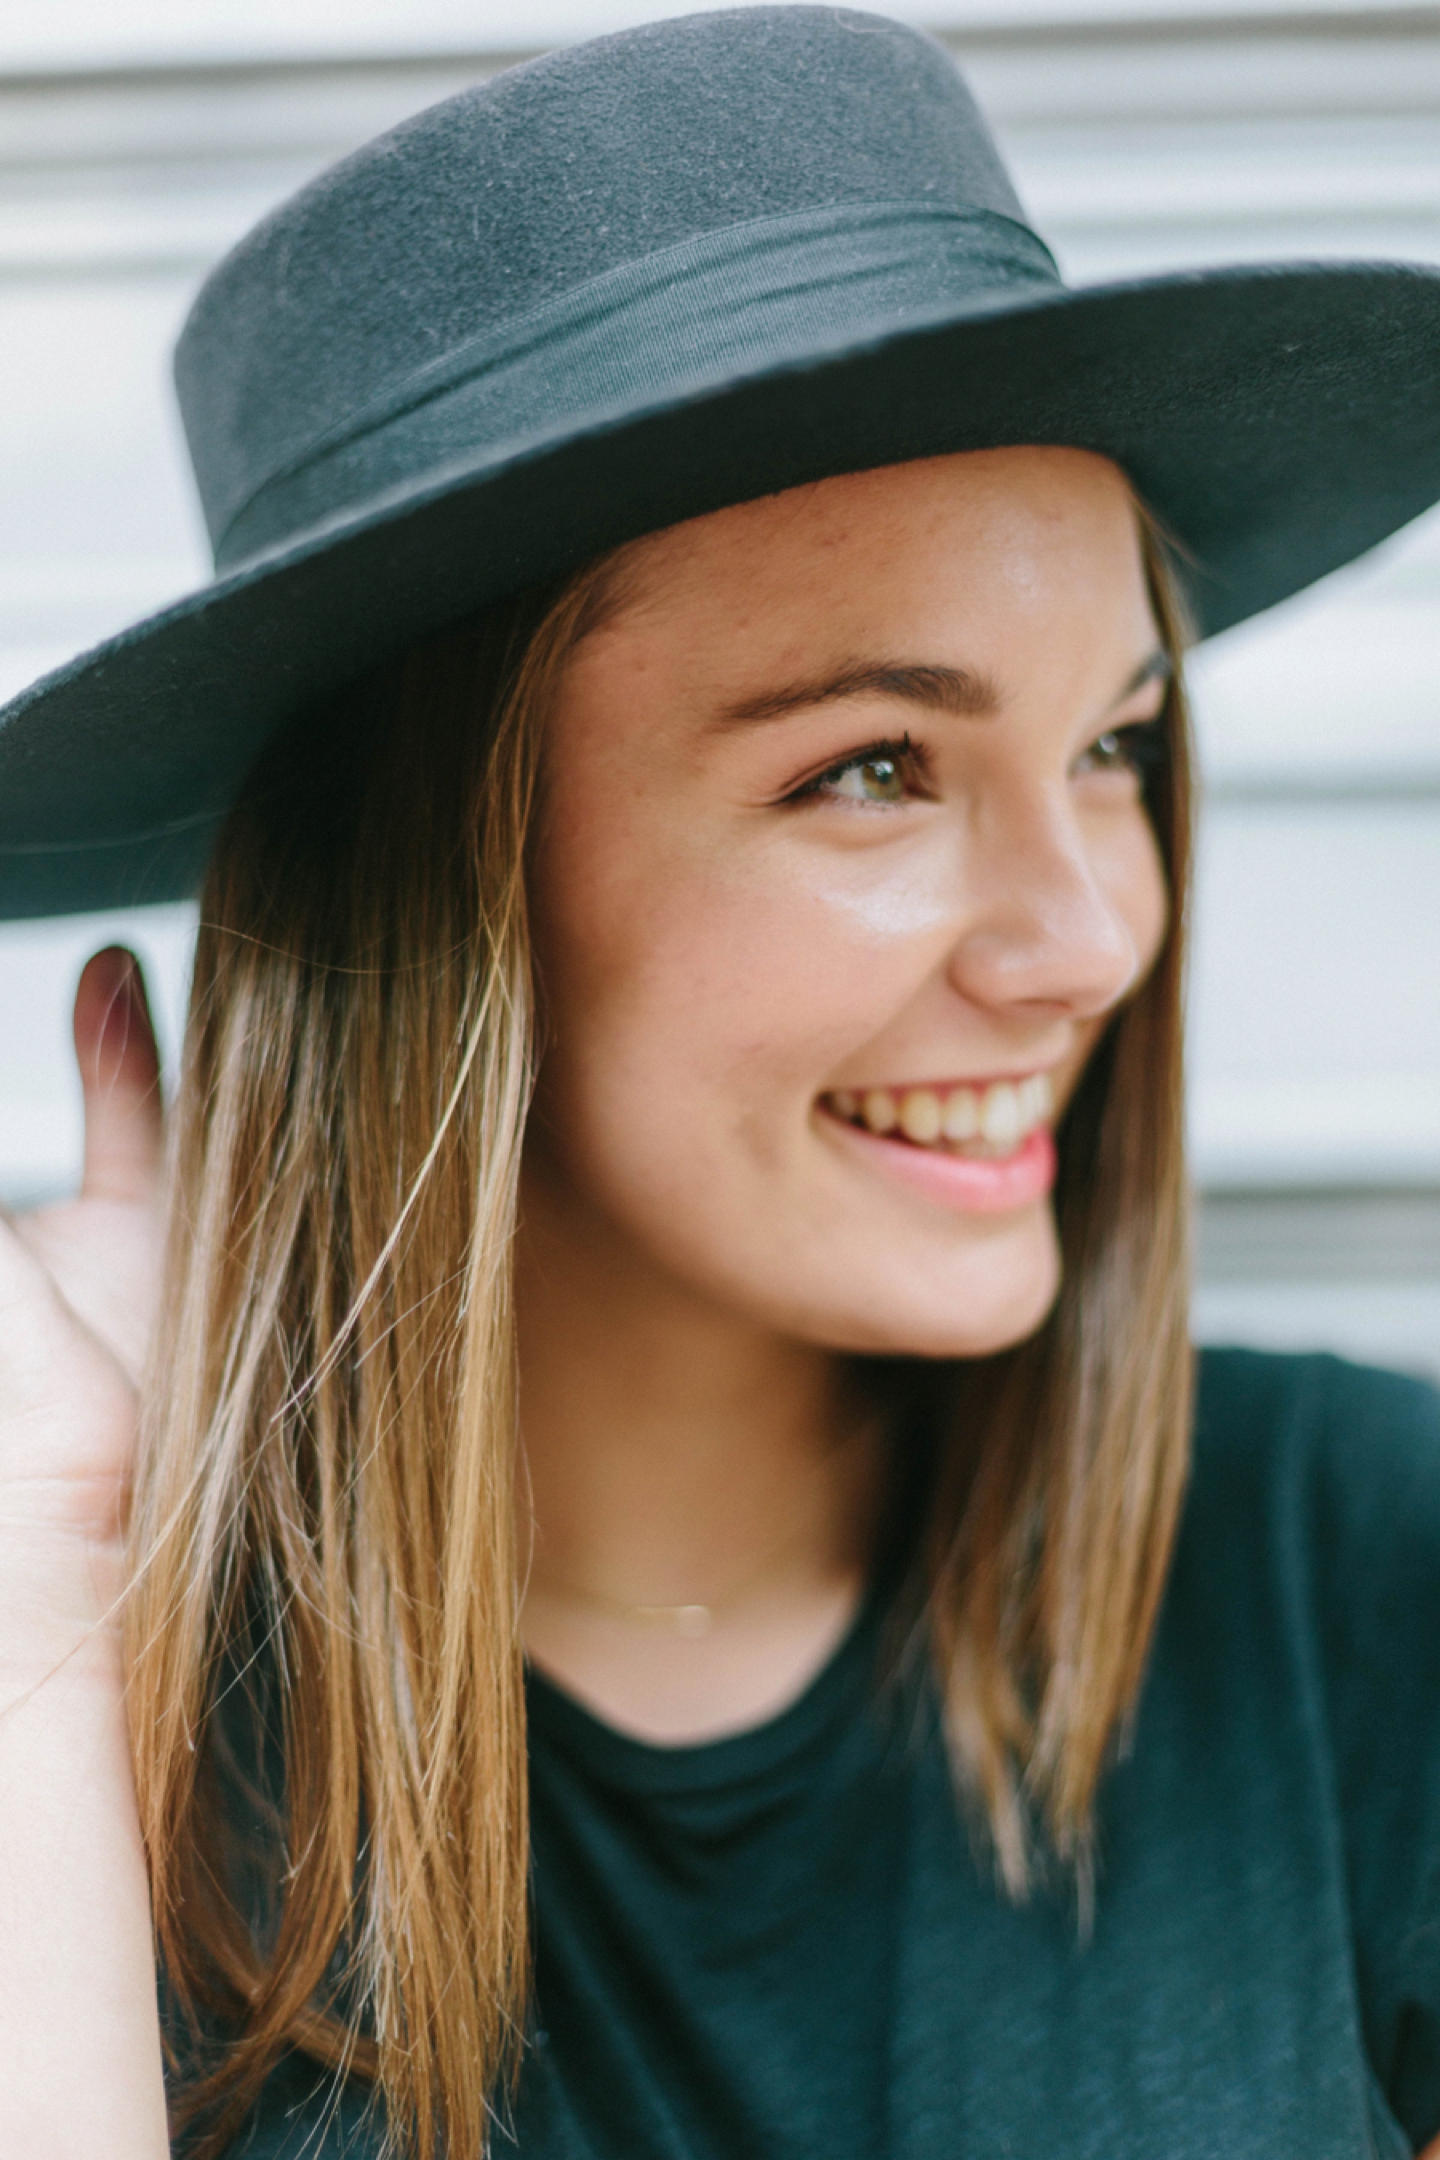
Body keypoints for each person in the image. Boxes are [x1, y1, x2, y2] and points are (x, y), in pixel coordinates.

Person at [2, 8, 1440, 2157]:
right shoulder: (91, 1728)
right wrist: (41, 1628)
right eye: (875, 769)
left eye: (1112, 748)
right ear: (448, 895)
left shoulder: (1357, 1585)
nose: (1089, 940)